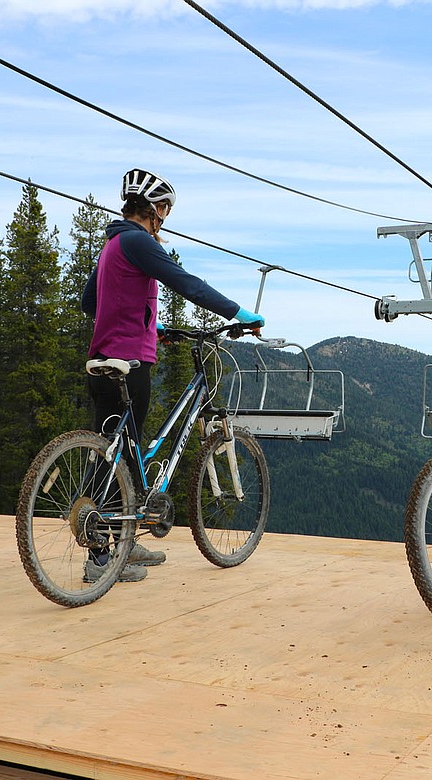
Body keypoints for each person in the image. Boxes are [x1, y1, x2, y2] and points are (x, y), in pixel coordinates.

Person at [80, 168, 266, 583]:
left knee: (114, 452)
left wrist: (150, 325)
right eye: (165, 209)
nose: (165, 216)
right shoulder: (137, 240)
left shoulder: (112, 243)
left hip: (104, 359)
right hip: (131, 364)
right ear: (156, 210)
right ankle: (104, 559)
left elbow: (90, 301)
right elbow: (186, 282)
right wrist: (237, 312)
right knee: (124, 458)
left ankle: (116, 544)